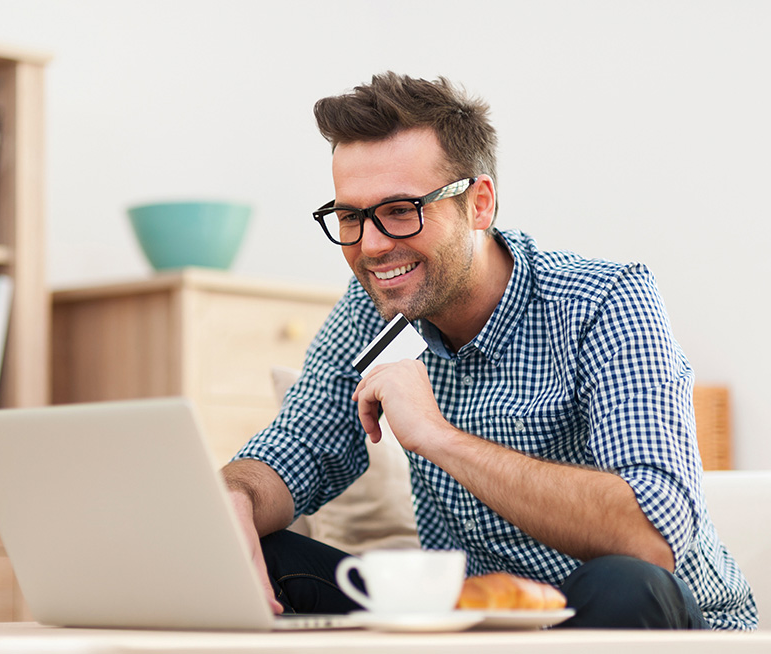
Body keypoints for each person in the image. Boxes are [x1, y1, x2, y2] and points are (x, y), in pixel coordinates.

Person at [221, 72, 757, 630]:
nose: (372, 246)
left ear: (479, 204)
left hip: (646, 618)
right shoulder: (372, 308)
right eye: (352, 217)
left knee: (624, 582)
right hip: (476, 628)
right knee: (259, 553)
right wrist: (234, 495)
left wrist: (438, 436)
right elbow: (298, 447)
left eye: (401, 209)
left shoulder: (605, 301)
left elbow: (650, 537)